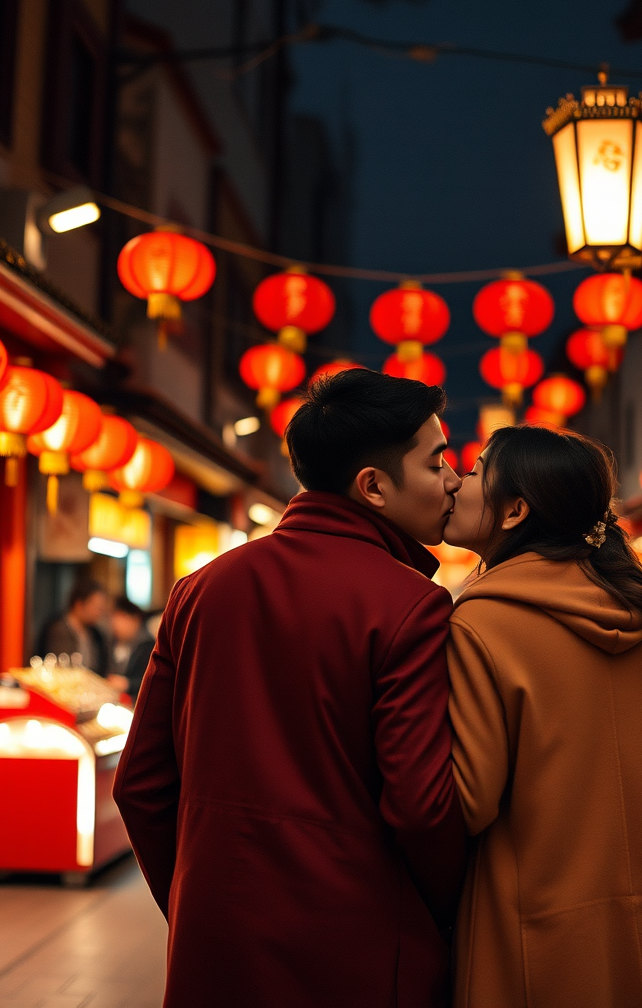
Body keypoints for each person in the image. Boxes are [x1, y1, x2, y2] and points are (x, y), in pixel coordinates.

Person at [114, 369, 467, 1008]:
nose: (454, 479)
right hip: (356, 949)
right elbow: (420, 805)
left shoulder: (199, 590)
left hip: (214, 940)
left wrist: (201, 901)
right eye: (438, 460)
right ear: (374, 487)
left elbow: (139, 782)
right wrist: (442, 917)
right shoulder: (411, 605)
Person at [443, 426, 642, 1008]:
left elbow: (468, 799)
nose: (455, 482)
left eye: (476, 470)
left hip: (534, 938)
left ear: (514, 510)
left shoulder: (482, 626)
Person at [36, 576, 109, 675]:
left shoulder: (96, 634)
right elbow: (57, 667)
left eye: (101, 608)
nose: (99, 613)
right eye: (96, 607)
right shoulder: (56, 629)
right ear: (79, 605)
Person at [107, 596, 155, 701]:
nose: (116, 625)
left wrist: (128, 684)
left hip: (134, 702)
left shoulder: (148, 645)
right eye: (114, 619)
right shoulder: (109, 641)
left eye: (122, 619)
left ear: (135, 620)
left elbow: (152, 681)